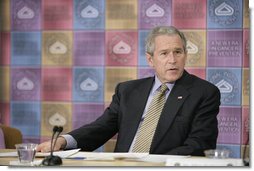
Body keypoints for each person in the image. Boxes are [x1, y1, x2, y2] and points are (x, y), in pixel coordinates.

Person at [37, 26, 221, 156]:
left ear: (185, 55)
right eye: (164, 53)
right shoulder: (128, 91)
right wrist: (63, 141)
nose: (172, 60)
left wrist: (153, 164)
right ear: (150, 60)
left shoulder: (203, 93)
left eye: (178, 52)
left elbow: (200, 144)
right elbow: (101, 128)